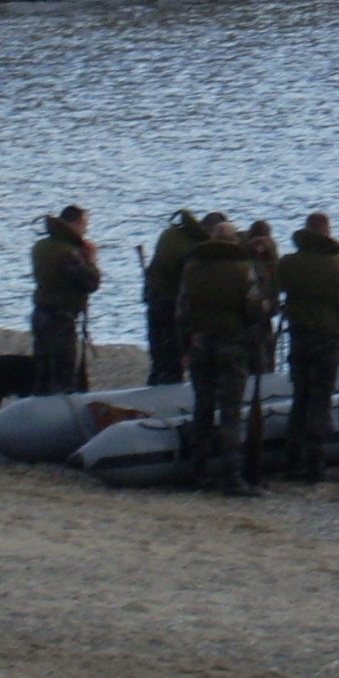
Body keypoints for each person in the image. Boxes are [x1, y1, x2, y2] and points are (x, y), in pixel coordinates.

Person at [178, 219, 269, 495]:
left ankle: (199, 472)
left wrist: (185, 347)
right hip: (232, 347)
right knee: (230, 412)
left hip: (200, 345)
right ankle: (233, 477)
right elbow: (254, 310)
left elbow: (181, 313)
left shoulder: (191, 269)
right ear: (233, 242)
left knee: (202, 408)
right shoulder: (243, 271)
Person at [277, 212, 339, 484]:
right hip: (326, 339)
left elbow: (270, 296)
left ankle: (293, 462)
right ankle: (315, 465)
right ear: (326, 233)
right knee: (319, 402)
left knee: (300, 398)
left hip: (298, 338)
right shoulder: (336, 266)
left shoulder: (287, 264)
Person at [26, 205, 101, 397]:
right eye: (85, 224)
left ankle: (39, 409)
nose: (86, 230)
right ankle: (61, 413)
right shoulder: (69, 253)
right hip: (61, 318)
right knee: (63, 373)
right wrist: (91, 260)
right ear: (75, 224)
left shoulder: (41, 246)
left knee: (42, 370)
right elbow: (91, 282)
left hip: (40, 313)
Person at [141, 207, 207, 387]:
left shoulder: (170, 234)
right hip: (172, 305)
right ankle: (170, 392)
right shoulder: (192, 249)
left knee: (158, 353)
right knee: (173, 357)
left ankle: (155, 386)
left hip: (155, 298)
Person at [244, 219, 283, 373]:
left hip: (266, 316)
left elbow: (277, 283)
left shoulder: (271, 258)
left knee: (267, 356)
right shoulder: (244, 259)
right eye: (256, 241)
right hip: (249, 318)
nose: (259, 245)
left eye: (263, 241)